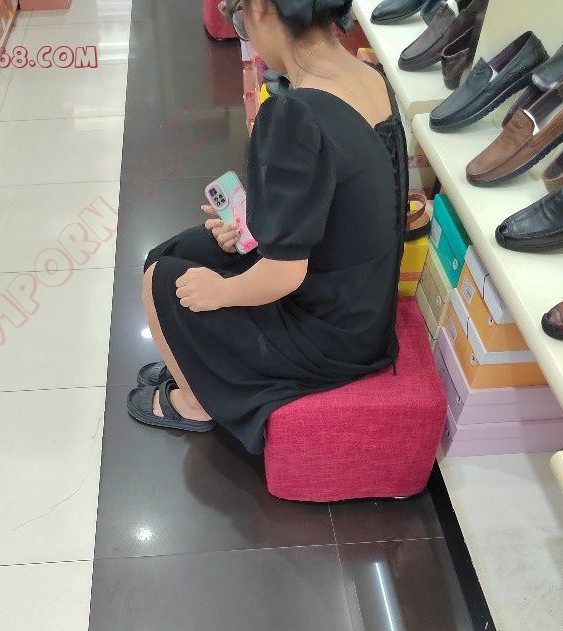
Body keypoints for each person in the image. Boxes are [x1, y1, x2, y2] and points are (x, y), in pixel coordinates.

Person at [127, 0, 408, 455]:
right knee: (184, 250)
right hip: (363, 309)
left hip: (328, 335)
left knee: (163, 277)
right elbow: (338, 199)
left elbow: (284, 273)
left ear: (260, 10)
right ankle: (200, 368)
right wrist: (255, 224)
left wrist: (220, 292)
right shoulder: (369, 77)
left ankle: (197, 402)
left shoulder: (294, 113)